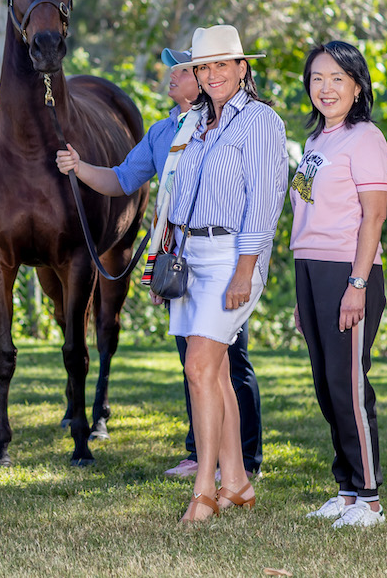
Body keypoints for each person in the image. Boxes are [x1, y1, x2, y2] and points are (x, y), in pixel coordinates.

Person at [55, 52, 263, 480]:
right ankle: (200, 452)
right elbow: (122, 179)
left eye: (185, 69)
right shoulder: (163, 131)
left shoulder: (235, 125)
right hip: (181, 259)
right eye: (184, 68)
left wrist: (245, 267)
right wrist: (80, 169)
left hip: (224, 256)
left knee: (227, 361)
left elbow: (258, 201)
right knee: (194, 358)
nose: (176, 75)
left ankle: (243, 460)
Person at [158, 25, 287, 523]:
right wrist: (164, 262)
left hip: (233, 257)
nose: (210, 75)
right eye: (202, 67)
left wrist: (245, 271)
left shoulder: (260, 122)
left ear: (241, 68)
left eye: (220, 65)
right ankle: (236, 482)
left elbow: (265, 202)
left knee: (198, 367)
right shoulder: (193, 124)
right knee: (214, 375)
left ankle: (203, 490)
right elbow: (175, 197)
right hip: (190, 259)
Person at [289, 42, 387, 528]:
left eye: (336, 79)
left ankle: (370, 498)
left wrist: (357, 283)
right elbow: (308, 216)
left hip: (347, 271)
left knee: (348, 387)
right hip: (310, 270)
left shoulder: (365, 138)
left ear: (357, 86)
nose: (325, 88)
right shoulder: (316, 143)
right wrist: (300, 297)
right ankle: (346, 490)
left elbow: (374, 218)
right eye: (316, 79)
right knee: (326, 388)